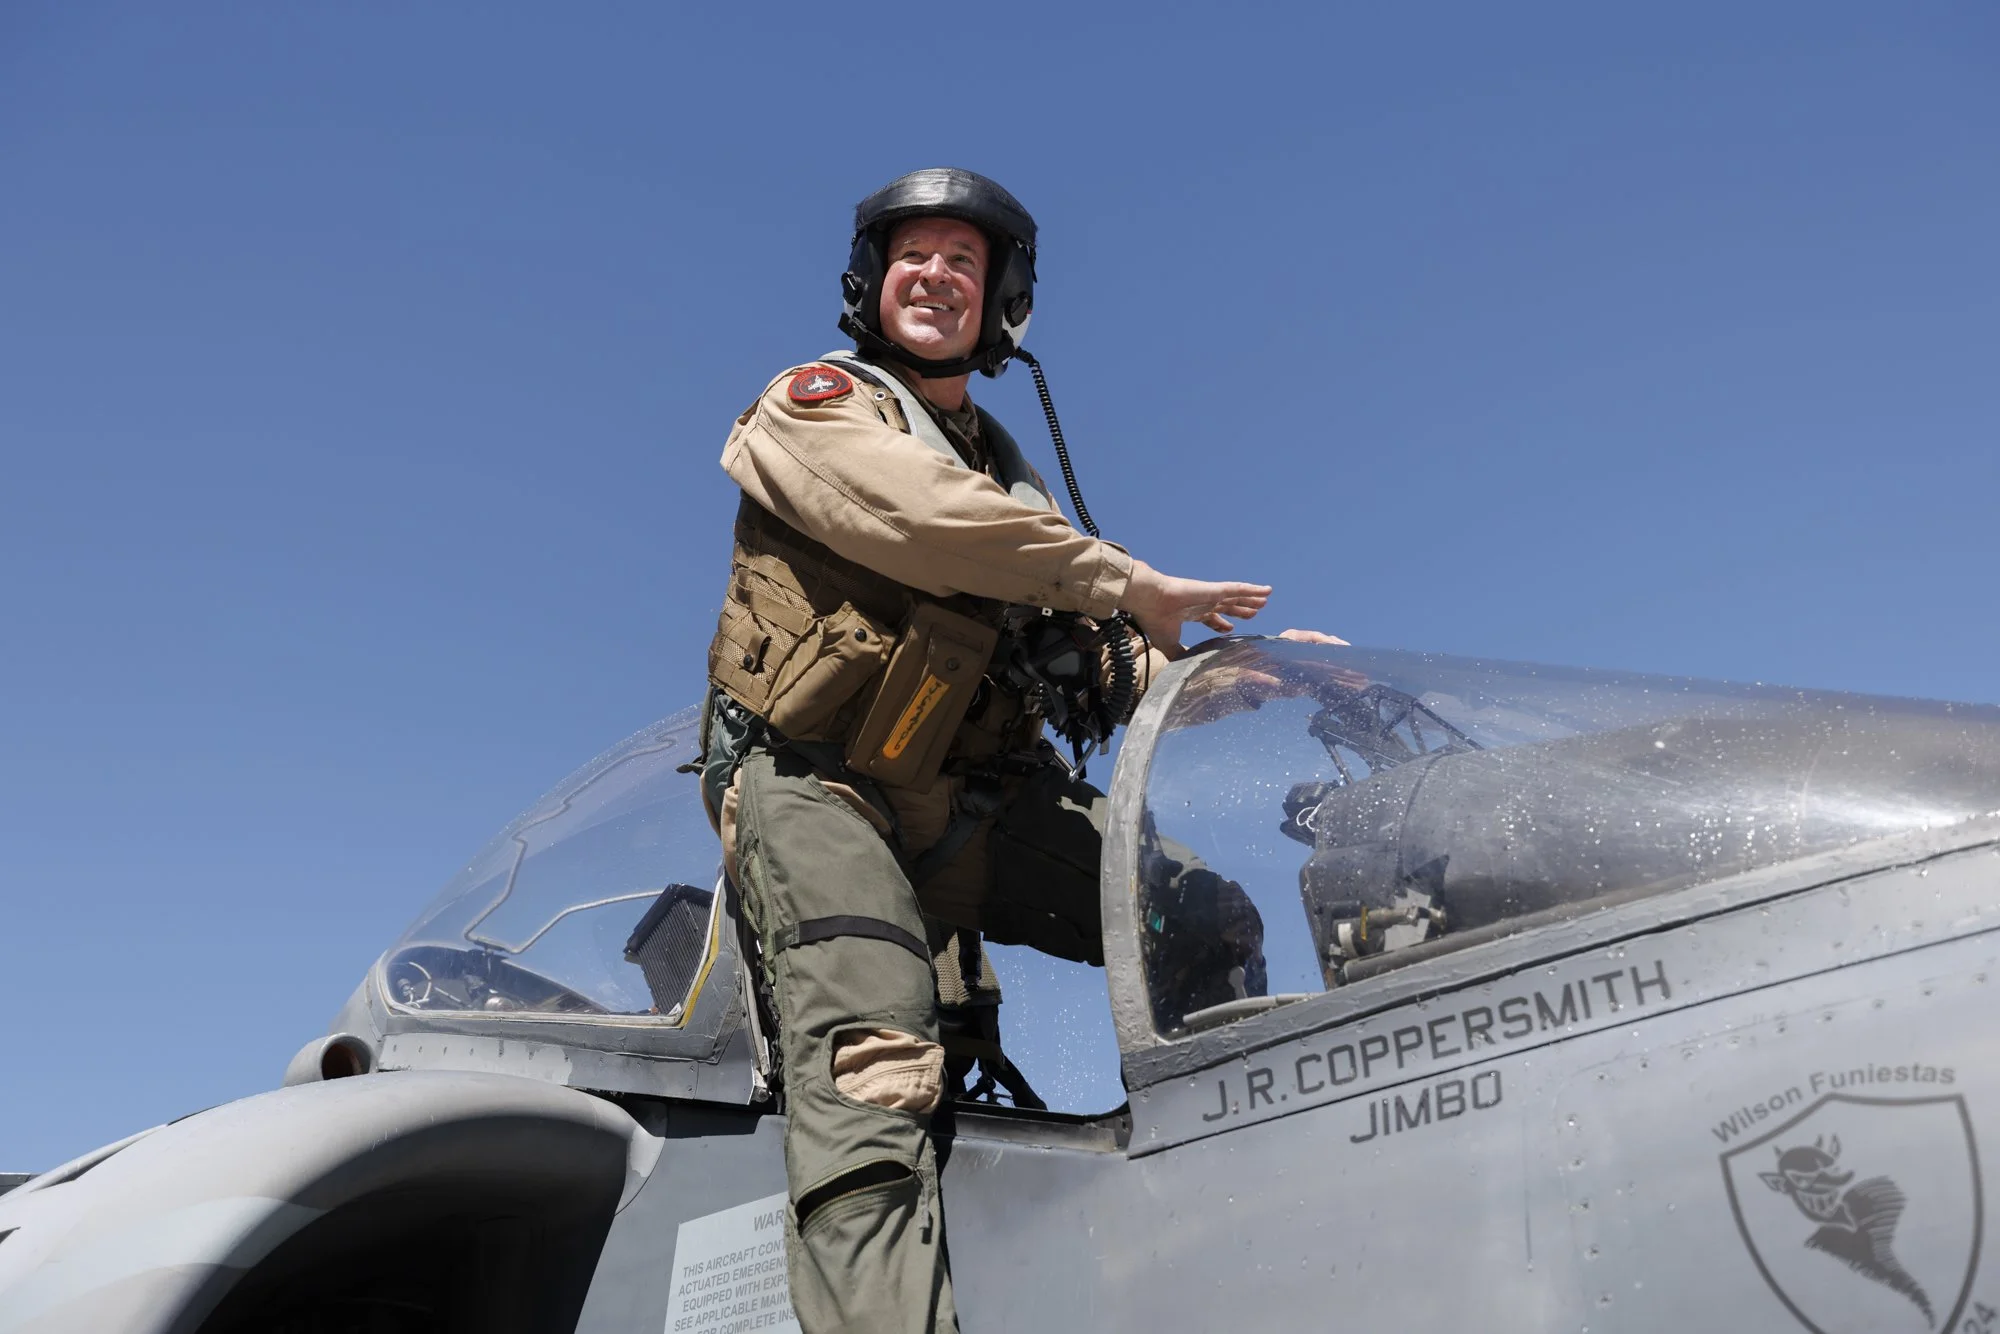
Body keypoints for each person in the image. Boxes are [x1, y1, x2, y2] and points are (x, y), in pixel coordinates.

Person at [697, 167, 1330, 1333]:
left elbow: (1099, 656)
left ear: (1001, 301)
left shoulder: (1009, 480)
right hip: (815, 789)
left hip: (969, 800)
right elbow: (917, 517)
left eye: (962, 262)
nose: (934, 275)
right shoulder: (816, 403)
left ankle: (1224, 1244)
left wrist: (1251, 671)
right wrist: (1117, 576)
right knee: (878, 1067)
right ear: (868, 282)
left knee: (1195, 912)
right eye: (912, 255)